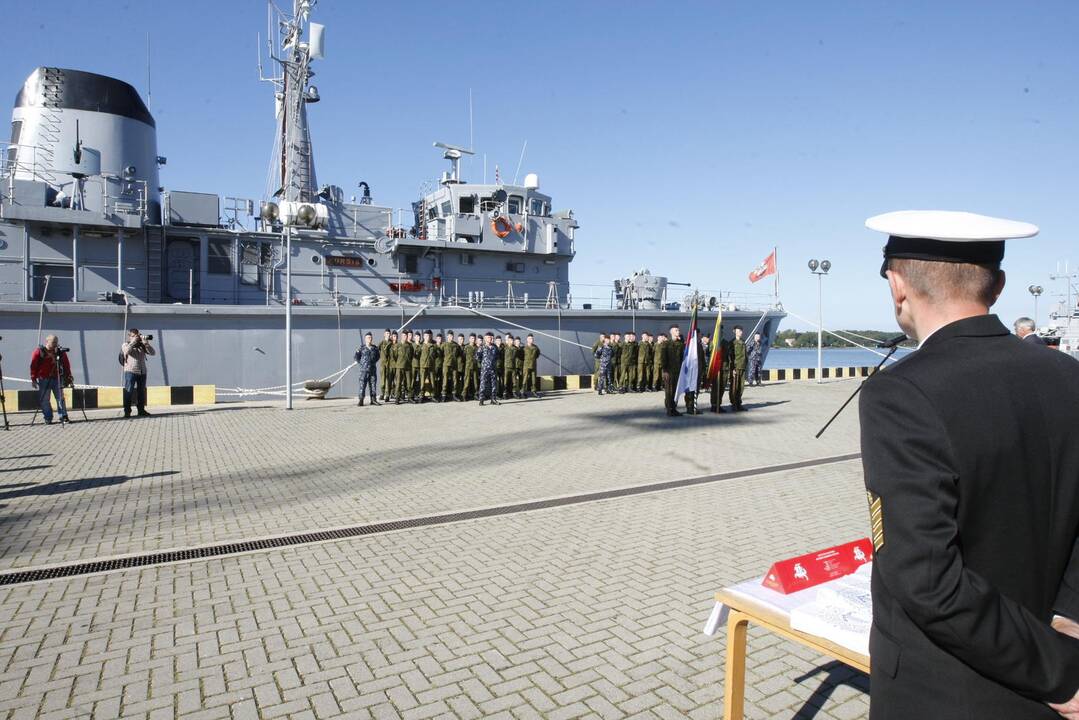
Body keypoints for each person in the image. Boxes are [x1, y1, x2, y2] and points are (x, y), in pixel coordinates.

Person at [860, 210, 1079, 719]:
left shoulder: (901, 394)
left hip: (947, 689)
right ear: (997, 286)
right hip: (1050, 660)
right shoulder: (1067, 373)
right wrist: (1070, 614)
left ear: (897, 285)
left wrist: (1059, 673)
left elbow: (926, 577)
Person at [30, 335, 71, 424]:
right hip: (43, 379)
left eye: (56, 342)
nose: (55, 344)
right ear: (47, 342)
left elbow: (66, 364)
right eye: (53, 342)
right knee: (45, 400)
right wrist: (33, 378)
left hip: (57, 378)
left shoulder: (60, 352)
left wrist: (68, 375)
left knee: (60, 398)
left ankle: (63, 416)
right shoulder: (39, 352)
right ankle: (48, 417)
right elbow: (33, 365)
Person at [121, 328, 156, 417]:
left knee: (141, 392)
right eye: (133, 336)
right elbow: (126, 351)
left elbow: (153, 353)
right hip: (130, 371)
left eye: (136, 336)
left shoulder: (141, 346)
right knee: (129, 391)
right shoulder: (126, 344)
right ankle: (127, 412)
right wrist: (133, 342)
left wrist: (146, 344)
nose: (135, 338)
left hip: (142, 372)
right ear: (129, 336)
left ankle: (141, 410)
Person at [661, 325, 684, 416]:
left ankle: (674, 408)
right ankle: (669, 409)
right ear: (671, 332)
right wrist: (665, 370)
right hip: (669, 371)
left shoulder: (681, 344)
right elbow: (663, 358)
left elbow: (683, 358)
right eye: (676, 330)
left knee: (676, 391)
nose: (678, 331)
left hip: (678, 371)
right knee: (669, 391)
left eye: (678, 330)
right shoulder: (666, 344)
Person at [354, 332, 380, 406]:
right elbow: (356, 357)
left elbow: (378, 356)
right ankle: (361, 400)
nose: (370, 339)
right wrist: (362, 363)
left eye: (371, 338)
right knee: (362, 385)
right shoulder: (361, 348)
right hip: (364, 371)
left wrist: (373, 362)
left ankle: (373, 400)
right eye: (368, 338)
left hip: (372, 370)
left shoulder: (375, 348)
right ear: (365, 339)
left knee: (373, 385)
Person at [727, 326, 747, 411]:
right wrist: (732, 369)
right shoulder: (732, 343)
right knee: (734, 386)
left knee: (741, 386)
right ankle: (734, 403)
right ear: (734, 332)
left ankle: (739, 403)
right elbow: (730, 357)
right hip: (736, 367)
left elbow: (745, 355)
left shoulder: (743, 342)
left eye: (741, 331)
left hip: (742, 367)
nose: (740, 332)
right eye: (739, 331)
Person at [476, 332, 500, 405]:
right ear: (485, 338)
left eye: (492, 337)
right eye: (489, 337)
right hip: (485, 369)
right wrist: (484, 364)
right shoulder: (482, 347)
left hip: (493, 369)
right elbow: (477, 357)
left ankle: (493, 399)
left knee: (494, 384)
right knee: (483, 384)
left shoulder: (495, 347)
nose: (491, 339)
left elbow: (497, 356)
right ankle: (481, 400)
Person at [393, 331, 414, 404]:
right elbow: (394, 356)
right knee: (398, 383)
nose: (405, 337)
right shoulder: (397, 345)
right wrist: (399, 362)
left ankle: (410, 397)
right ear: (401, 336)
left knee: (409, 383)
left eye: (406, 336)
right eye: (403, 335)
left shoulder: (410, 346)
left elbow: (411, 355)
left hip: (407, 367)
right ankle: (397, 398)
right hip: (399, 367)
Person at [441, 332, 461, 402]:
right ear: (447, 336)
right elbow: (441, 354)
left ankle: (454, 395)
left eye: (452, 336)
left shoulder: (456, 345)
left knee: (454, 380)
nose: (451, 337)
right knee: (445, 380)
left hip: (454, 365)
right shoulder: (444, 345)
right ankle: (444, 395)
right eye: (449, 336)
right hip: (446, 364)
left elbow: (458, 354)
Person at [378, 329, 393, 402]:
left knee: (388, 380)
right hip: (383, 364)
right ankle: (382, 393)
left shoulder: (391, 343)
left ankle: (387, 395)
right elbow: (376, 351)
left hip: (389, 364)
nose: (388, 334)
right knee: (383, 379)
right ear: (384, 334)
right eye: (386, 333)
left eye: (389, 333)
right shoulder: (381, 343)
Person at [463, 334, 479, 400]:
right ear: (469, 339)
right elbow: (463, 357)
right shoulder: (466, 347)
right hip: (468, 366)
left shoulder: (477, 348)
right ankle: (464, 395)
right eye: (472, 338)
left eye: (474, 338)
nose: (473, 340)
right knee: (466, 381)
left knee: (476, 382)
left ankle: (476, 394)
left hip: (475, 367)